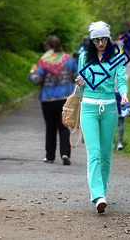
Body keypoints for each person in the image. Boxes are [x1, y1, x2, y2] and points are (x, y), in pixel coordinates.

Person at [75, 21, 129, 213]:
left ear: (108, 38)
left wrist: (123, 94)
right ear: (91, 40)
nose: (100, 43)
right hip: (89, 107)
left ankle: (102, 191)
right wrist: (80, 82)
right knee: (95, 153)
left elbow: (121, 81)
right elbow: (81, 86)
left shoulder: (116, 57)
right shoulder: (84, 57)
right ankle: (98, 195)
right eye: (96, 40)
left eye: (103, 39)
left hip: (110, 108)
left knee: (106, 154)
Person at [29, 35, 78, 165]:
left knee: (50, 128)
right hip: (65, 99)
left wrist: (32, 73)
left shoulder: (44, 61)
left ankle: (50, 156)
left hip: (48, 99)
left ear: (48, 47)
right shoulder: (69, 60)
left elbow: (37, 80)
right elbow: (76, 76)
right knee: (64, 127)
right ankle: (65, 153)